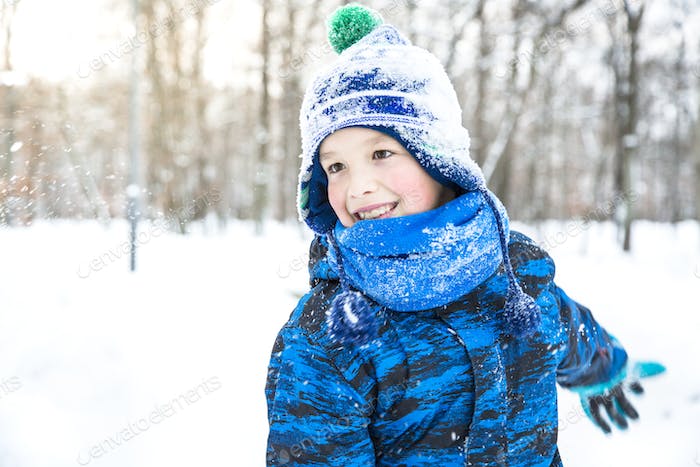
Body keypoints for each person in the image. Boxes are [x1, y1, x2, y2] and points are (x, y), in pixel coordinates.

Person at [265, 5, 664, 466]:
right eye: (335, 165)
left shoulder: (518, 275)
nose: (358, 186)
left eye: (381, 152)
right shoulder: (329, 336)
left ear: (438, 159)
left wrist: (606, 369)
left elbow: (567, 330)